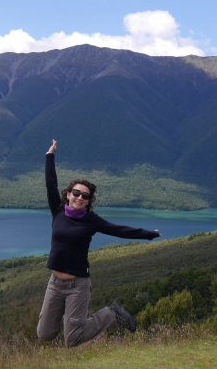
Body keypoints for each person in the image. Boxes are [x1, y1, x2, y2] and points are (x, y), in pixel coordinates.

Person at [37, 139, 160, 347]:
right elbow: (50, 183)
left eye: (85, 196)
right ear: (68, 195)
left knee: (72, 340)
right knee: (45, 334)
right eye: (76, 193)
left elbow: (119, 230)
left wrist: (149, 234)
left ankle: (111, 313)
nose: (79, 197)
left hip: (78, 284)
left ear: (89, 200)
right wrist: (50, 156)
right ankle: (72, 321)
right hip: (55, 283)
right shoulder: (57, 211)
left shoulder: (91, 221)